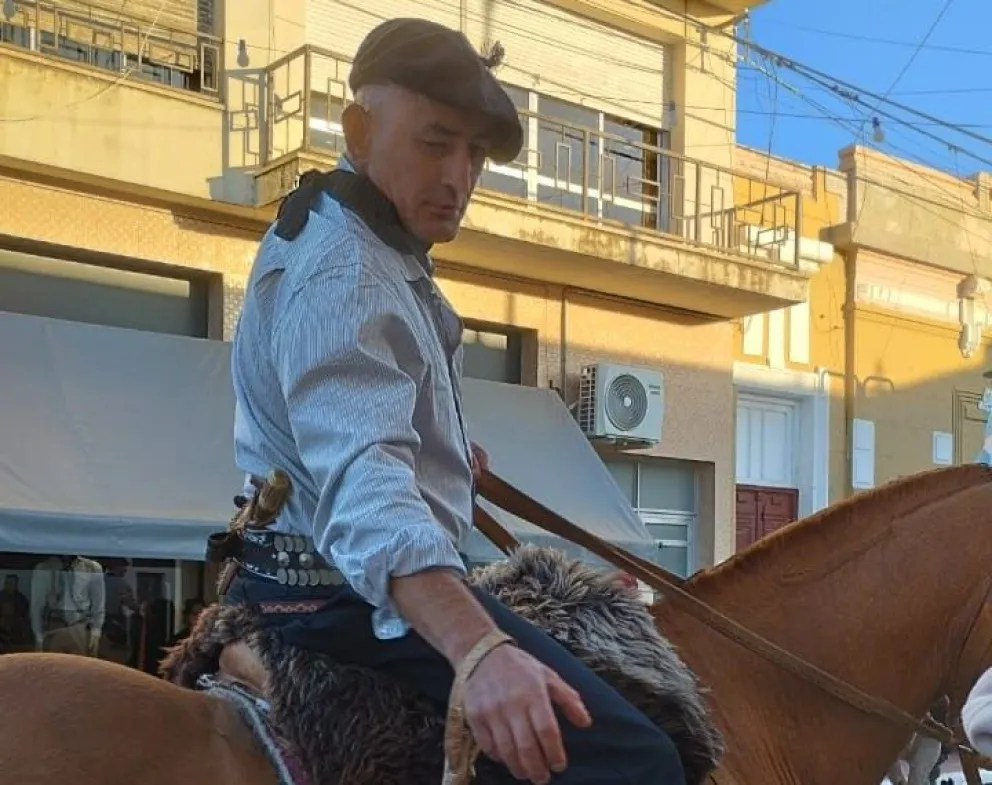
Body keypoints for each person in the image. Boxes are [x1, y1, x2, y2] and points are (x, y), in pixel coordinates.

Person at [225, 17, 685, 785]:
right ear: (360, 129)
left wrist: (444, 461)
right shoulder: (351, 273)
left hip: (287, 571)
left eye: (474, 152)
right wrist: (481, 651)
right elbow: (364, 488)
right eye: (436, 143)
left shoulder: (354, 232)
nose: (459, 176)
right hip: (338, 597)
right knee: (640, 760)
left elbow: (353, 417)